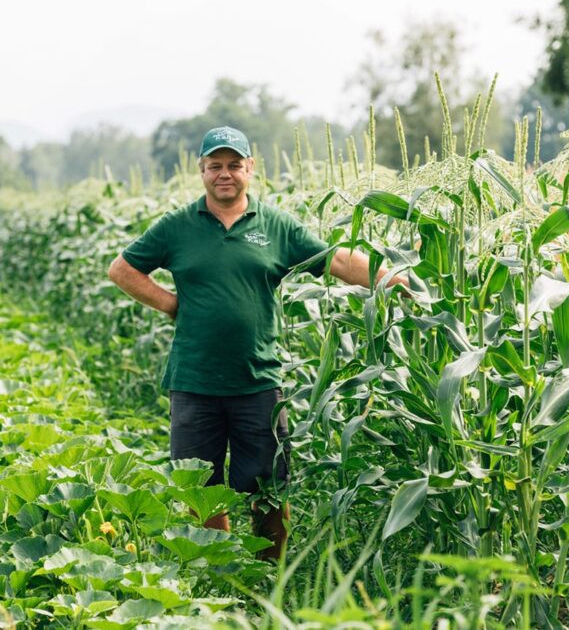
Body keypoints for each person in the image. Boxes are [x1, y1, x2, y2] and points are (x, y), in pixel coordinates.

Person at [107, 125, 409, 560]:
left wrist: (388, 280)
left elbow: (337, 260)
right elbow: (122, 269)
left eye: (234, 165)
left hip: (258, 382)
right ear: (202, 172)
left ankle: (269, 576)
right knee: (200, 489)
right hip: (194, 381)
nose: (224, 174)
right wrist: (172, 305)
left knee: (269, 488)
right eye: (215, 166)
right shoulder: (177, 227)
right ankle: (219, 570)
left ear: (250, 168)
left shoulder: (277, 227)